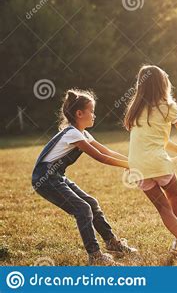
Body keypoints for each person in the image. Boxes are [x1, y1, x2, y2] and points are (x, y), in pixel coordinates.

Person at [32, 89, 136, 265]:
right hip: (46, 179)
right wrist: (129, 166)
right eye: (92, 111)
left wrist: (133, 162)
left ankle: (112, 243)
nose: (94, 115)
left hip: (56, 176)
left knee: (92, 204)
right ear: (79, 113)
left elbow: (107, 151)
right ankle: (95, 256)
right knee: (82, 209)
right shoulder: (73, 134)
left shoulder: (83, 133)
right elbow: (100, 157)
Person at [124, 64, 177, 262]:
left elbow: (158, 139)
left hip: (137, 168)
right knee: (175, 197)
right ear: (163, 84)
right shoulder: (168, 107)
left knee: (163, 209)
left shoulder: (135, 108)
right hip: (159, 164)